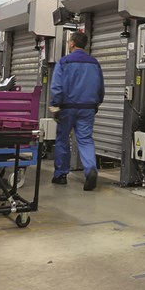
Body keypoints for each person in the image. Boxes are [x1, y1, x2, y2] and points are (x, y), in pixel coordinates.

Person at [49, 32, 105, 191]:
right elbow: (100, 87)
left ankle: (60, 175)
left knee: (62, 139)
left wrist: (55, 106)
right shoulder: (94, 63)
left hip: (67, 107)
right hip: (88, 108)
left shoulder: (64, 62)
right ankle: (90, 169)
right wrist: (97, 103)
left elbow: (57, 87)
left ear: (72, 44)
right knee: (86, 139)